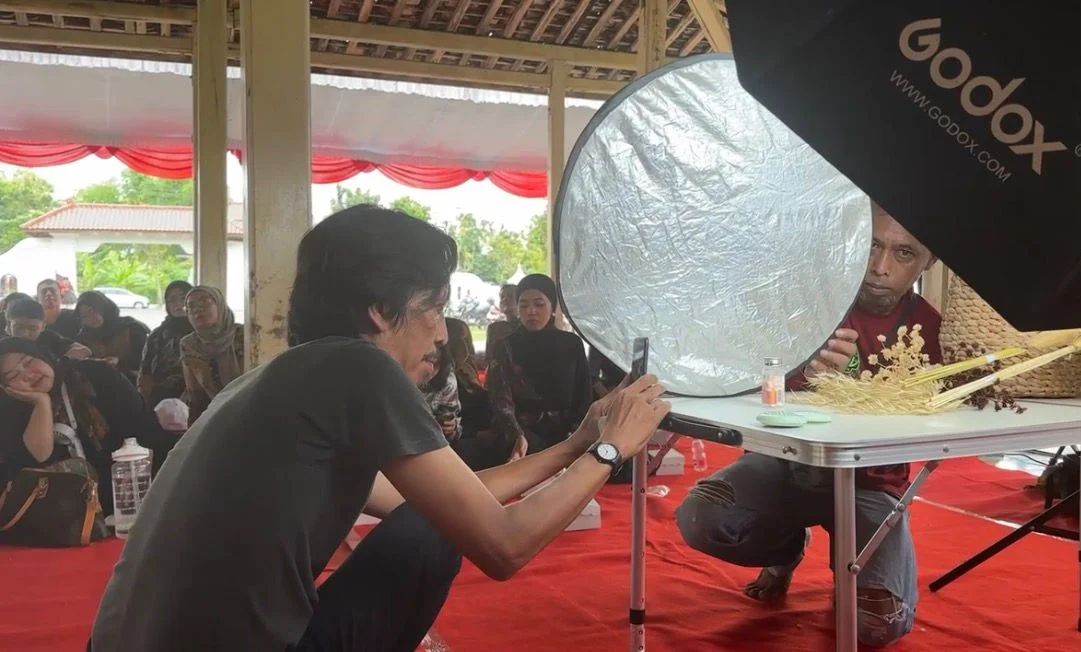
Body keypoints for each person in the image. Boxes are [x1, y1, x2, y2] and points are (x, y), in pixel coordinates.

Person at [89, 205, 670, 652]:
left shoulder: (282, 377)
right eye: (433, 308)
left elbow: (449, 500)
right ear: (380, 310)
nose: (441, 333)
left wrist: (575, 444)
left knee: (434, 520)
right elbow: (502, 545)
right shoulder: (359, 366)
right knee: (436, 534)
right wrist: (611, 450)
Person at [675, 204, 940, 648]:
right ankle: (785, 549)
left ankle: (851, 570)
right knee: (703, 517)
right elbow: (745, 374)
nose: (880, 267)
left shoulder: (931, 328)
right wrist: (800, 371)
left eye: (904, 253)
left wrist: (862, 385)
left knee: (879, 625)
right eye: (872, 246)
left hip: (871, 483)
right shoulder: (807, 303)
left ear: (928, 262)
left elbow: (938, 415)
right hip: (786, 467)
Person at [0, 338, 177, 516]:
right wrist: (42, 404)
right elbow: (38, 457)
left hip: (131, 495)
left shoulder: (95, 375)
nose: (28, 375)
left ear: (41, 354)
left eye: (28, 362)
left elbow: (145, 432)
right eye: (13, 376)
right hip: (63, 516)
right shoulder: (11, 410)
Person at [487, 274, 593, 460]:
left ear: (552, 307)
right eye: (523, 305)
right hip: (519, 436)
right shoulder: (505, 346)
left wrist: (576, 435)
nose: (531, 311)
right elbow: (500, 400)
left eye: (539, 304)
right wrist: (517, 435)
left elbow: (583, 395)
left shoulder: (571, 344)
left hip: (566, 435)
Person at [179, 285, 244, 425]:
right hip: (214, 416)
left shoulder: (245, 335)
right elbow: (195, 395)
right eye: (191, 306)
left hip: (249, 409)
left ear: (220, 305)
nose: (198, 309)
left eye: (205, 301)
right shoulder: (190, 344)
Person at [138, 281, 194, 410]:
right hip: (161, 400)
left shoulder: (202, 331)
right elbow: (145, 370)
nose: (178, 304)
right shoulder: (157, 335)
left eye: (183, 298)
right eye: (172, 300)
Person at [75, 291, 149, 385]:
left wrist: (119, 361)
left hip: (134, 382)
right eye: (85, 316)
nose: (91, 318)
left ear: (103, 308)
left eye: (92, 311)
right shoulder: (84, 337)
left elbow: (146, 360)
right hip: (99, 386)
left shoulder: (131, 328)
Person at [5, 297, 92, 361]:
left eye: (32, 328)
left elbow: (85, 350)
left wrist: (61, 362)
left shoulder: (48, 338)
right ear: (9, 326)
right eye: (18, 328)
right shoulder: (4, 345)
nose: (25, 334)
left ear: (43, 326)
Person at [484, 283, 519, 361]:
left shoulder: (527, 327)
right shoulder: (494, 328)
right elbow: (489, 358)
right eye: (502, 297)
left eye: (510, 296)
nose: (504, 300)